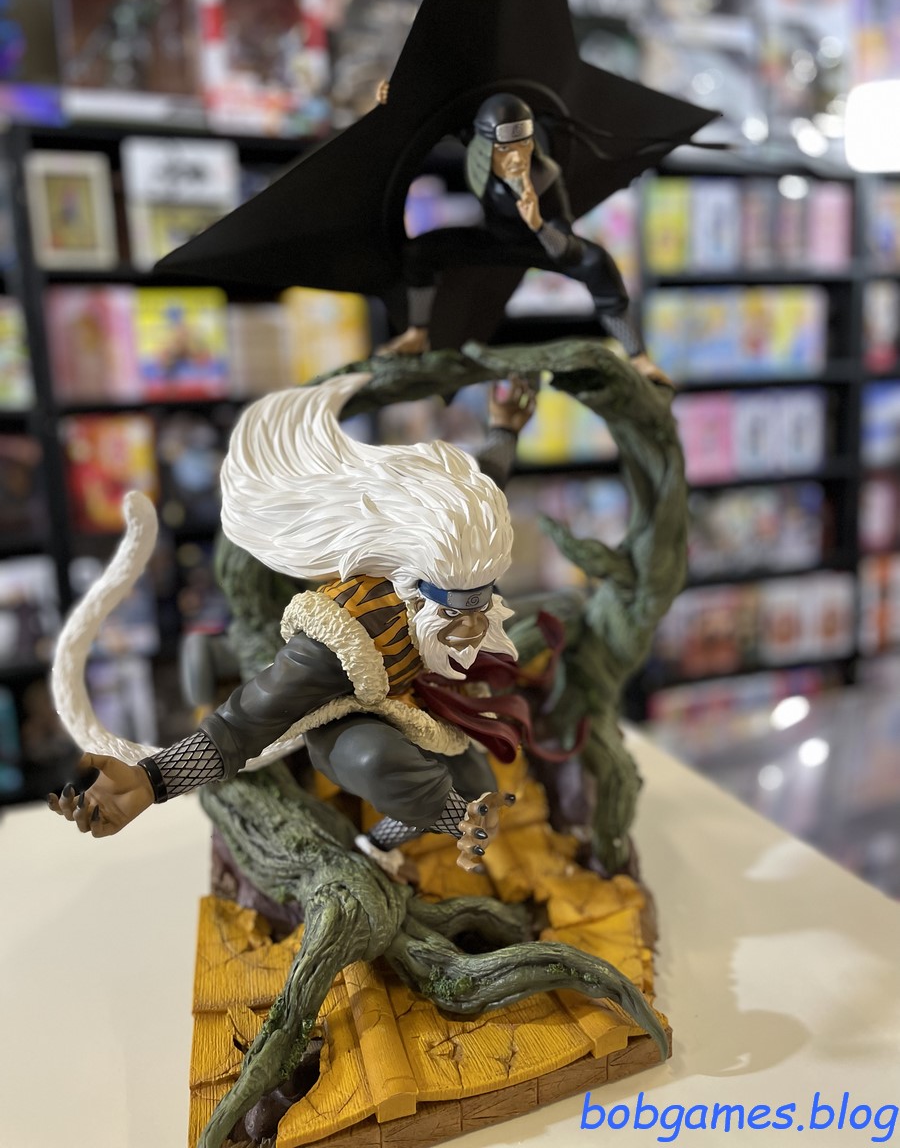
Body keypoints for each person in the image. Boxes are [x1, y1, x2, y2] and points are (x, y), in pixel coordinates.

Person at [50, 373, 539, 879]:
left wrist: (504, 427)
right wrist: (151, 780)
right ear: (415, 586)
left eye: (480, 604)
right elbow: (246, 720)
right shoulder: (345, 632)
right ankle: (444, 819)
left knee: (477, 782)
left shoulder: (464, 561)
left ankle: (380, 842)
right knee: (378, 760)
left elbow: (483, 481)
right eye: (455, 611)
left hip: (425, 695)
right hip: (349, 719)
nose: (472, 627)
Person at [381, 92, 669, 384]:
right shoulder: (475, 153)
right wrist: (395, 102)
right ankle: (417, 333)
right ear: (485, 148)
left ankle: (638, 357)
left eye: (523, 146)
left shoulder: (546, 177)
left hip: (538, 244)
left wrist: (539, 224)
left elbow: (567, 251)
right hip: (493, 239)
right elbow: (432, 124)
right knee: (420, 251)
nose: (517, 159)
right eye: (505, 149)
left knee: (597, 263)